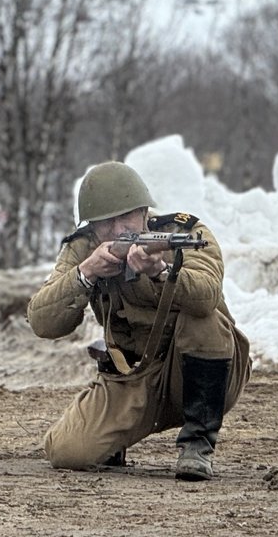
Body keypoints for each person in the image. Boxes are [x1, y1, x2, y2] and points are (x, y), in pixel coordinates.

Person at [25, 161, 251, 481]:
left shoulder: (184, 234)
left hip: (197, 372)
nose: (120, 230)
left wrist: (160, 272)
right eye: (107, 222)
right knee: (68, 452)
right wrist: (85, 274)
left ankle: (198, 444)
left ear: (145, 211)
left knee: (204, 320)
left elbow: (207, 296)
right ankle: (115, 438)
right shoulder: (83, 248)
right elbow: (42, 322)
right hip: (132, 374)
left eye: (127, 216)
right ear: (92, 227)